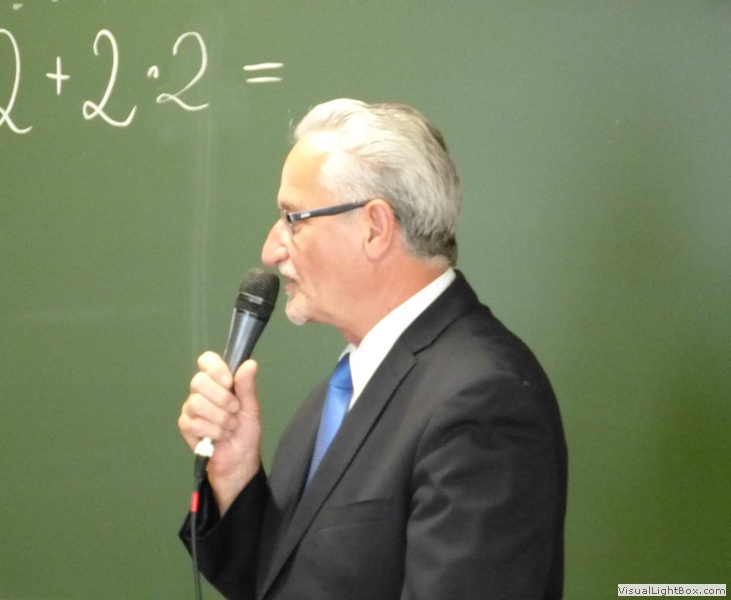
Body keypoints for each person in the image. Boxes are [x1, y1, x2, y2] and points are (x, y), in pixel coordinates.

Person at [178, 98, 567, 600]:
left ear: (374, 228)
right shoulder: (340, 391)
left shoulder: (484, 400)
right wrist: (234, 475)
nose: (271, 250)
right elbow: (290, 582)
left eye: (293, 218)